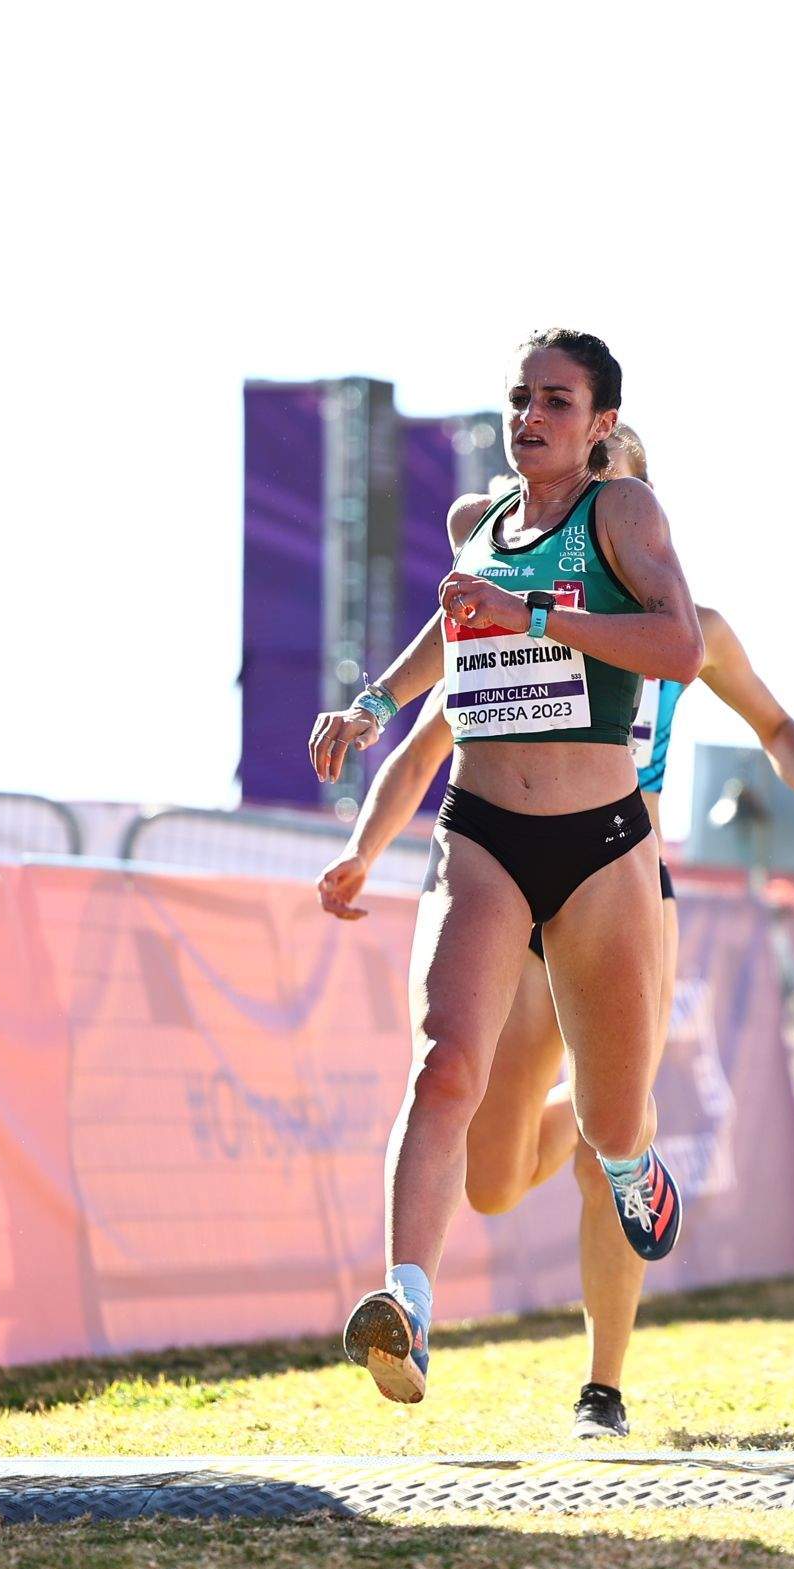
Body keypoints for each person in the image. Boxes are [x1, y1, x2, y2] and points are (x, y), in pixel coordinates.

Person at [316, 424, 794, 1436]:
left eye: (608, 490)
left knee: (616, 1134)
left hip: (624, 882)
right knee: (492, 1178)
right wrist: (363, 848)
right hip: (510, 881)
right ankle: (597, 1120)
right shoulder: (511, 604)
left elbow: (777, 725)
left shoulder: (689, 628)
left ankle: (602, 1385)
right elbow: (430, 742)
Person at [306, 331, 704, 1407]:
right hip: (480, 833)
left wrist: (531, 614)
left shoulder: (621, 514)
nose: (531, 417)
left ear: (600, 423)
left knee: (612, 1118)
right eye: (520, 398)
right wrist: (370, 706)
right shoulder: (474, 523)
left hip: (602, 845)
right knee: (445, 1068)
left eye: (557, 401)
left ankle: (629, 1160)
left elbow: (678, 647)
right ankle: (405, 1307)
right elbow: (448, 638)